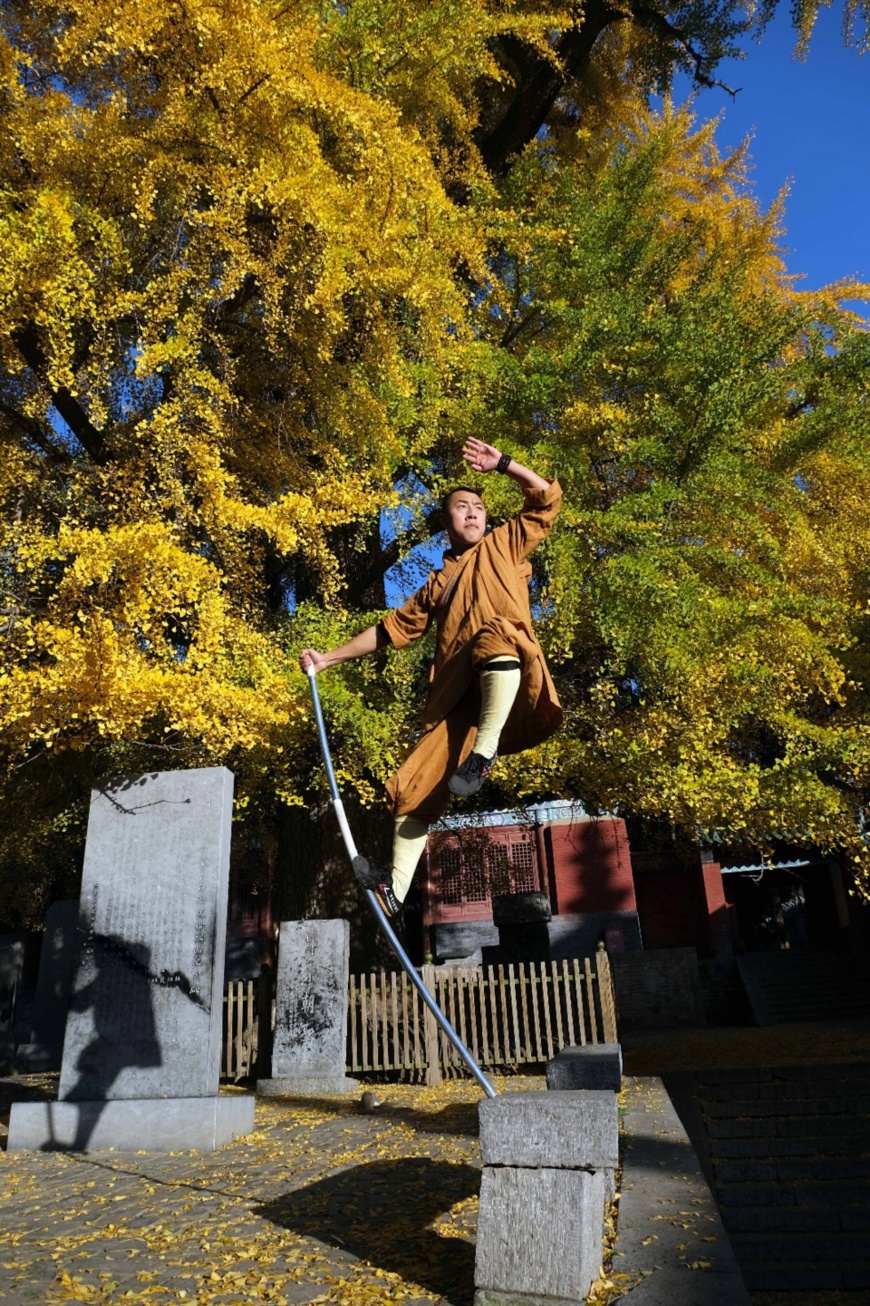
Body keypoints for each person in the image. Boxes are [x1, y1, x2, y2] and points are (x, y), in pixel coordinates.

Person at [299, 436, 563, 916]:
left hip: (508, 673)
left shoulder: (508, 542)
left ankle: (482, 757)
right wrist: (327, 659)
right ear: (445, 522)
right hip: (458, 698)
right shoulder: (437, 584)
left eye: (479, 507)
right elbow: (390, 629)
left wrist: (503, 464)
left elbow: (545, 497)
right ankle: (394, 892)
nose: (473, 514)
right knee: (410, 784)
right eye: (462, 508)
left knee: (494, 634)